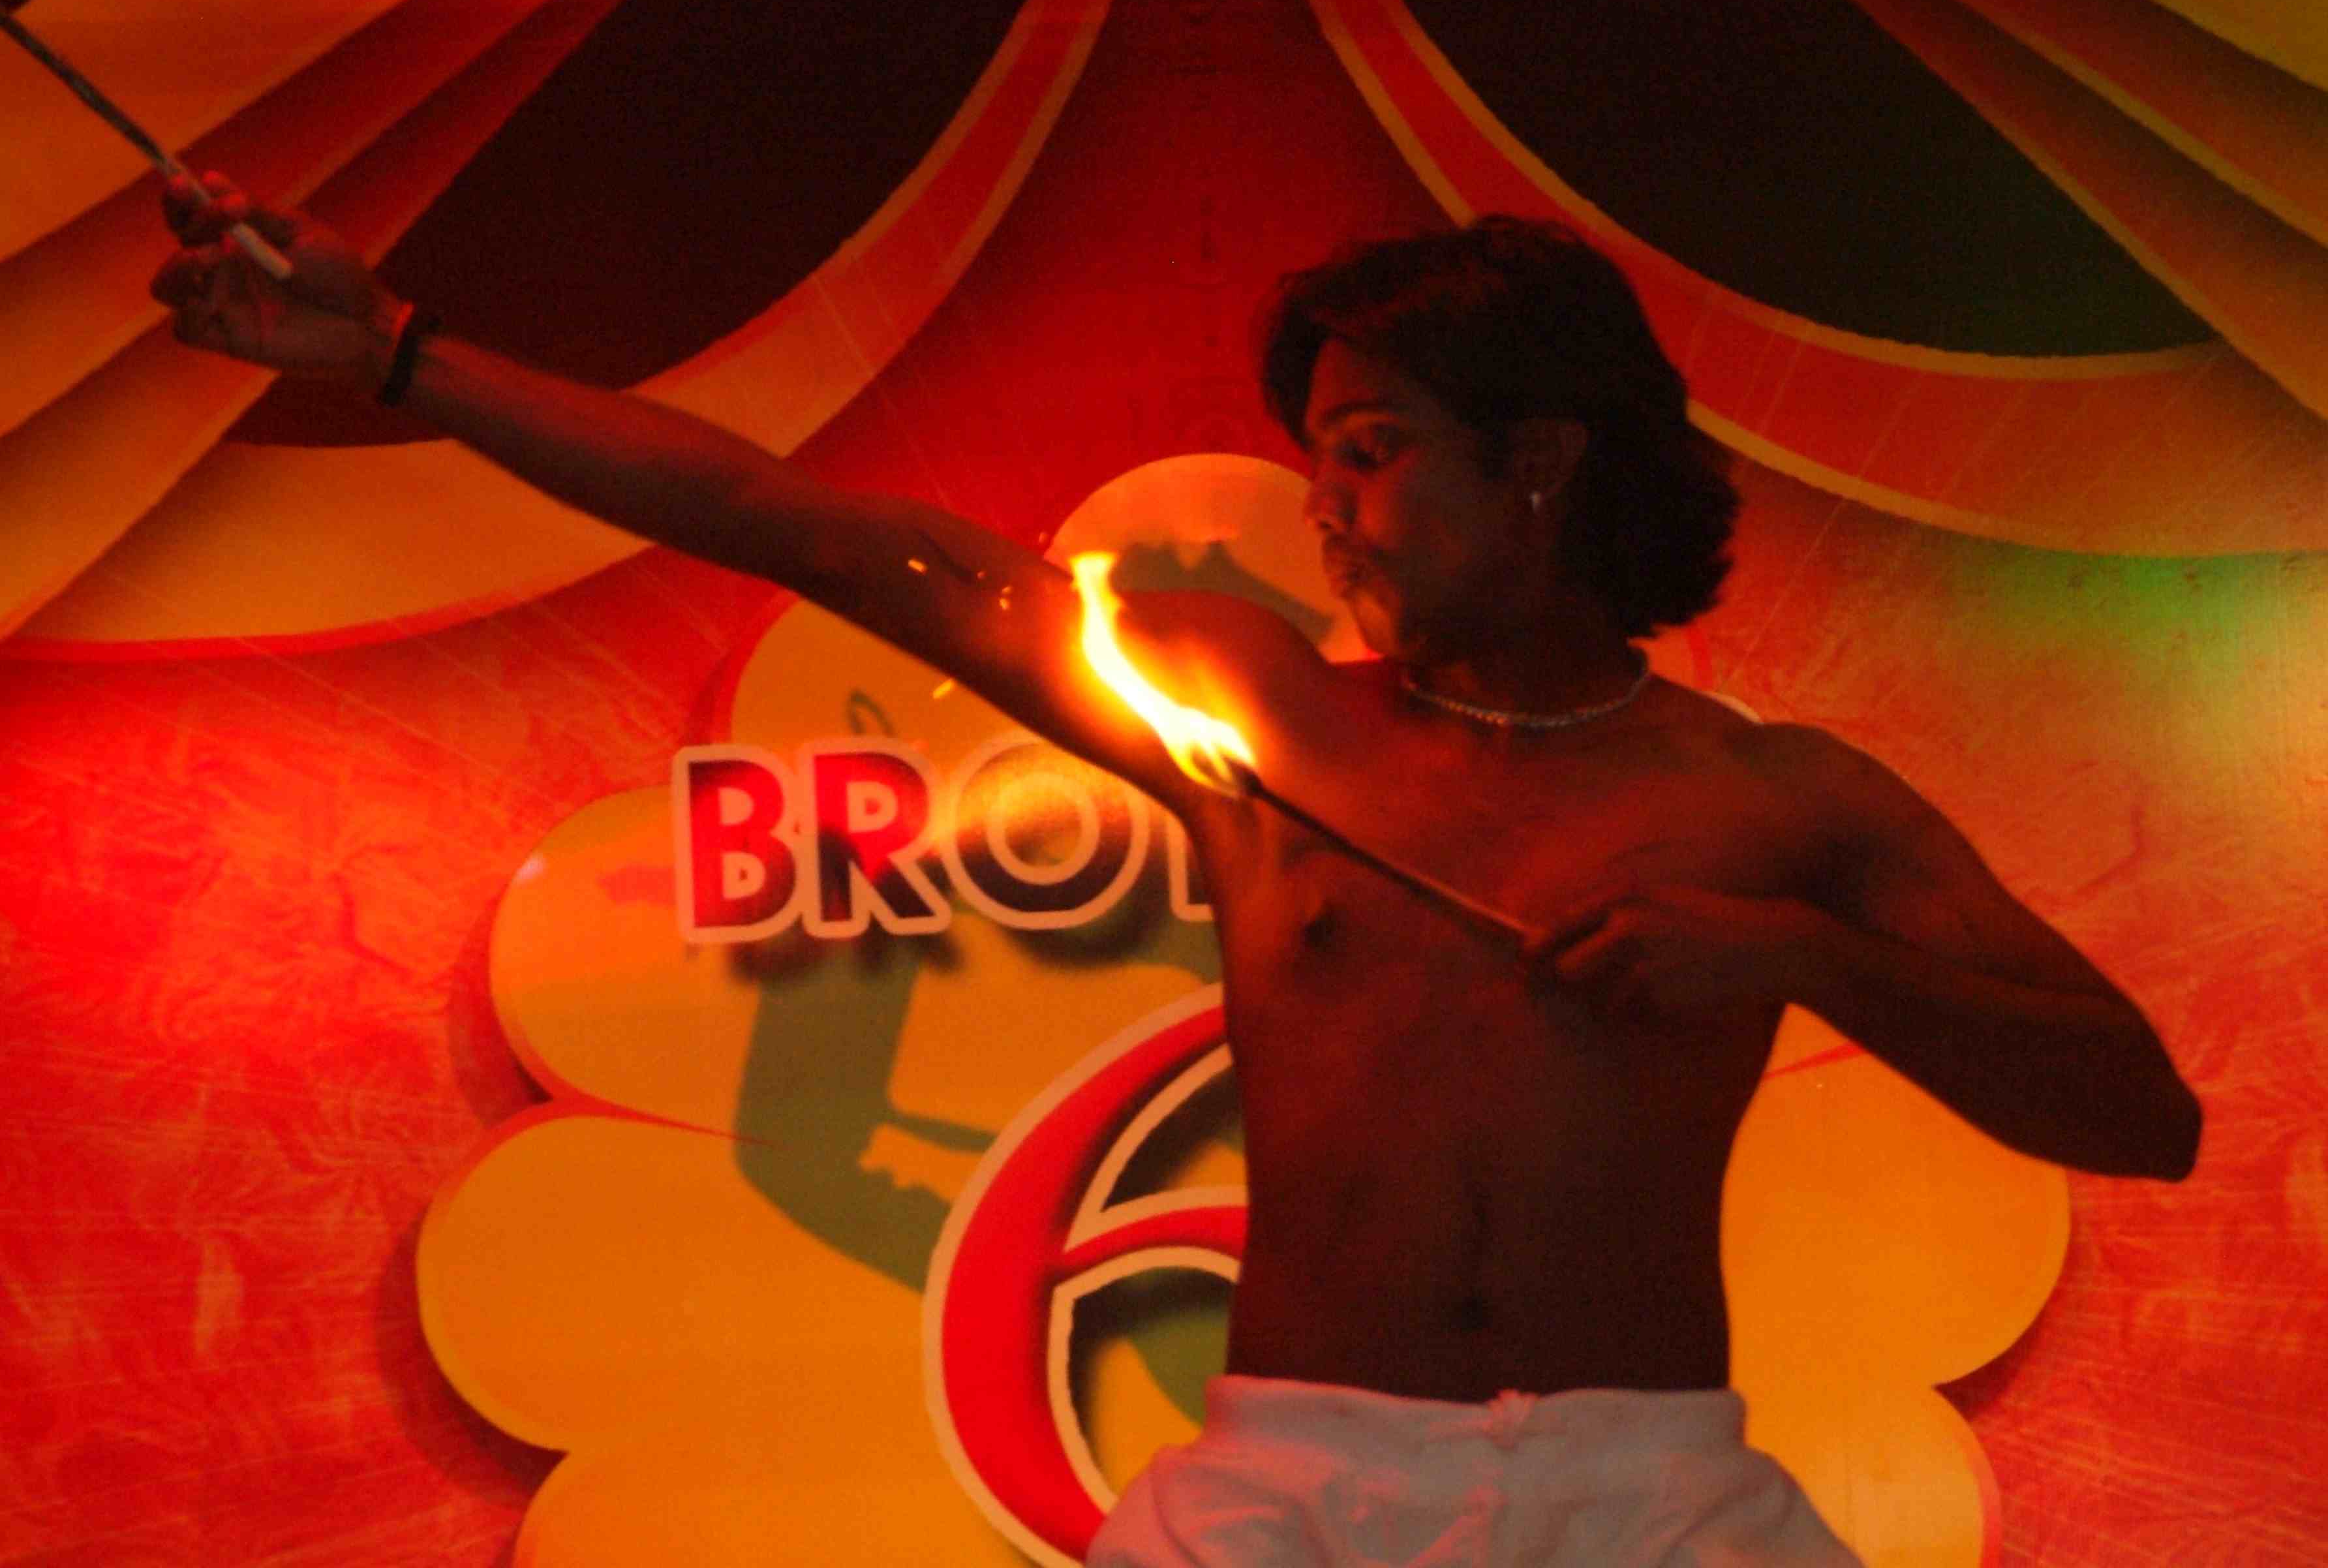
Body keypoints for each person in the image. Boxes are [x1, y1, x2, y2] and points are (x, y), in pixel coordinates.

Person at [153, 185, 2199, 1565]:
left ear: (1542, 463)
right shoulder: (1257, 716)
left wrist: (1806, 956)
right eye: (1318, 457)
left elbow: (2143, 1110)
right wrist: (400, 353)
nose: (1330, 508)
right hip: (1295, 1487)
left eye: (1373, 450)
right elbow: (803, 529)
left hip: (1651, 1498)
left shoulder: (1779, 805)